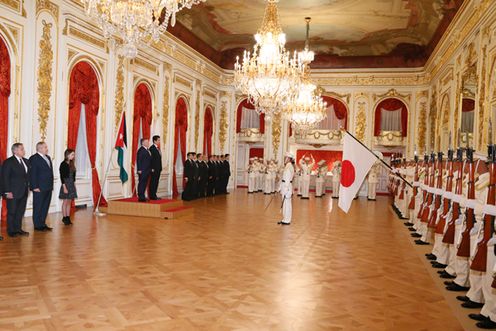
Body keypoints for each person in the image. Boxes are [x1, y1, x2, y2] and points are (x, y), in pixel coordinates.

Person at [2, 143, 30, 237]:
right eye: (21, 149)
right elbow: (5, 178)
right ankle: (11, 231)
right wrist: (7, 192)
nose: (23, 151)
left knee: (20, 212)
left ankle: (18, 229)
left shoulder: (26, 161)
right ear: (15, 151)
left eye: (23, 149)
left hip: (24, 191)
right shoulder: (8, 162)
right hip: (12, 192)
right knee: (12, 212)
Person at [29, 142, 54, 231]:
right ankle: (37, 225)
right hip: (39, 187)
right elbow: (32, 174)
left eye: (46, 147)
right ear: (39, 148)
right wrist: (35, 186)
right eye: (45, 147)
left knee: (45, 206)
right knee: (38, 206)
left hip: (48, 187)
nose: (47, 149)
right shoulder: (34, 158)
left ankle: (42, 224)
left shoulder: (48, 157)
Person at [59, 149, 77, 225]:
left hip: (71, 184)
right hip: (66, 184)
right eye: (72, 154)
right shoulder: (63, 164)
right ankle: (64, 217)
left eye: (74, 155)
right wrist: (64, 187)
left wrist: (74, 186)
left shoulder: (72, 164)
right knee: (65, 202)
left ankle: (68, 217)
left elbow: (73, 177)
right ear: (67, 155)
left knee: (69, 202)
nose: (73, 156)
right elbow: (62, 177)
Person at [278, 152, 295, 226]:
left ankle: (287, 220)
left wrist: (285, 189)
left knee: (287, 204)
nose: (284, 159)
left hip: (287, 188)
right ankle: (284, 219)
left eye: (285, 158)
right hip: (285, 186)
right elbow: (283, 179)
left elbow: (287, 180)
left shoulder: (289, 167)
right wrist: (279, 187)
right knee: (285, 204)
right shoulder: (288, 166)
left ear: (288, 159)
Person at [149, 135, 162, 200]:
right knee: (153, 182)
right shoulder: (152, 148)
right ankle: (152, 196)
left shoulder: (157, 148)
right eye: (158, 140)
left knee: (156, 182)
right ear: (154, 141)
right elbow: (150, 159)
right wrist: (151, 168)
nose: (159, 141)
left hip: (158, 169)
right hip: (154, 169)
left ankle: (154, 194)